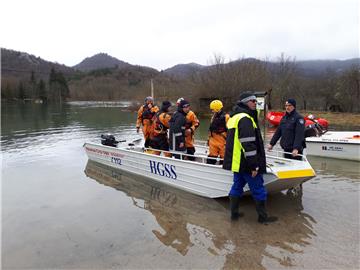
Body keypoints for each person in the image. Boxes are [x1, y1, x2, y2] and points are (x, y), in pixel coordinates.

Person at [223, 91, 277, 224]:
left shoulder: (234, 117)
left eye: (256, 101)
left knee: (237, 187)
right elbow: (248, 145)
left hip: (237, 162)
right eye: (252, 101)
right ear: (245, 102)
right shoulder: (245, 119)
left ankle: (234, 215)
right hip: (247, 163)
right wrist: (254, 165)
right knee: (258, 189)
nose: (255, 103)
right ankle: (263, 219)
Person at [207, 99, 230, 165]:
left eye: (213, 109)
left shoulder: (226, 117)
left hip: (223, 141)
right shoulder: (213, 117)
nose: (212, 111)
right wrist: (208, 139)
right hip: (213, 140)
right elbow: (211, 129)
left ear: (217, 109)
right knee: (211, 158)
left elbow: (230, 130)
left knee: (224, 158)